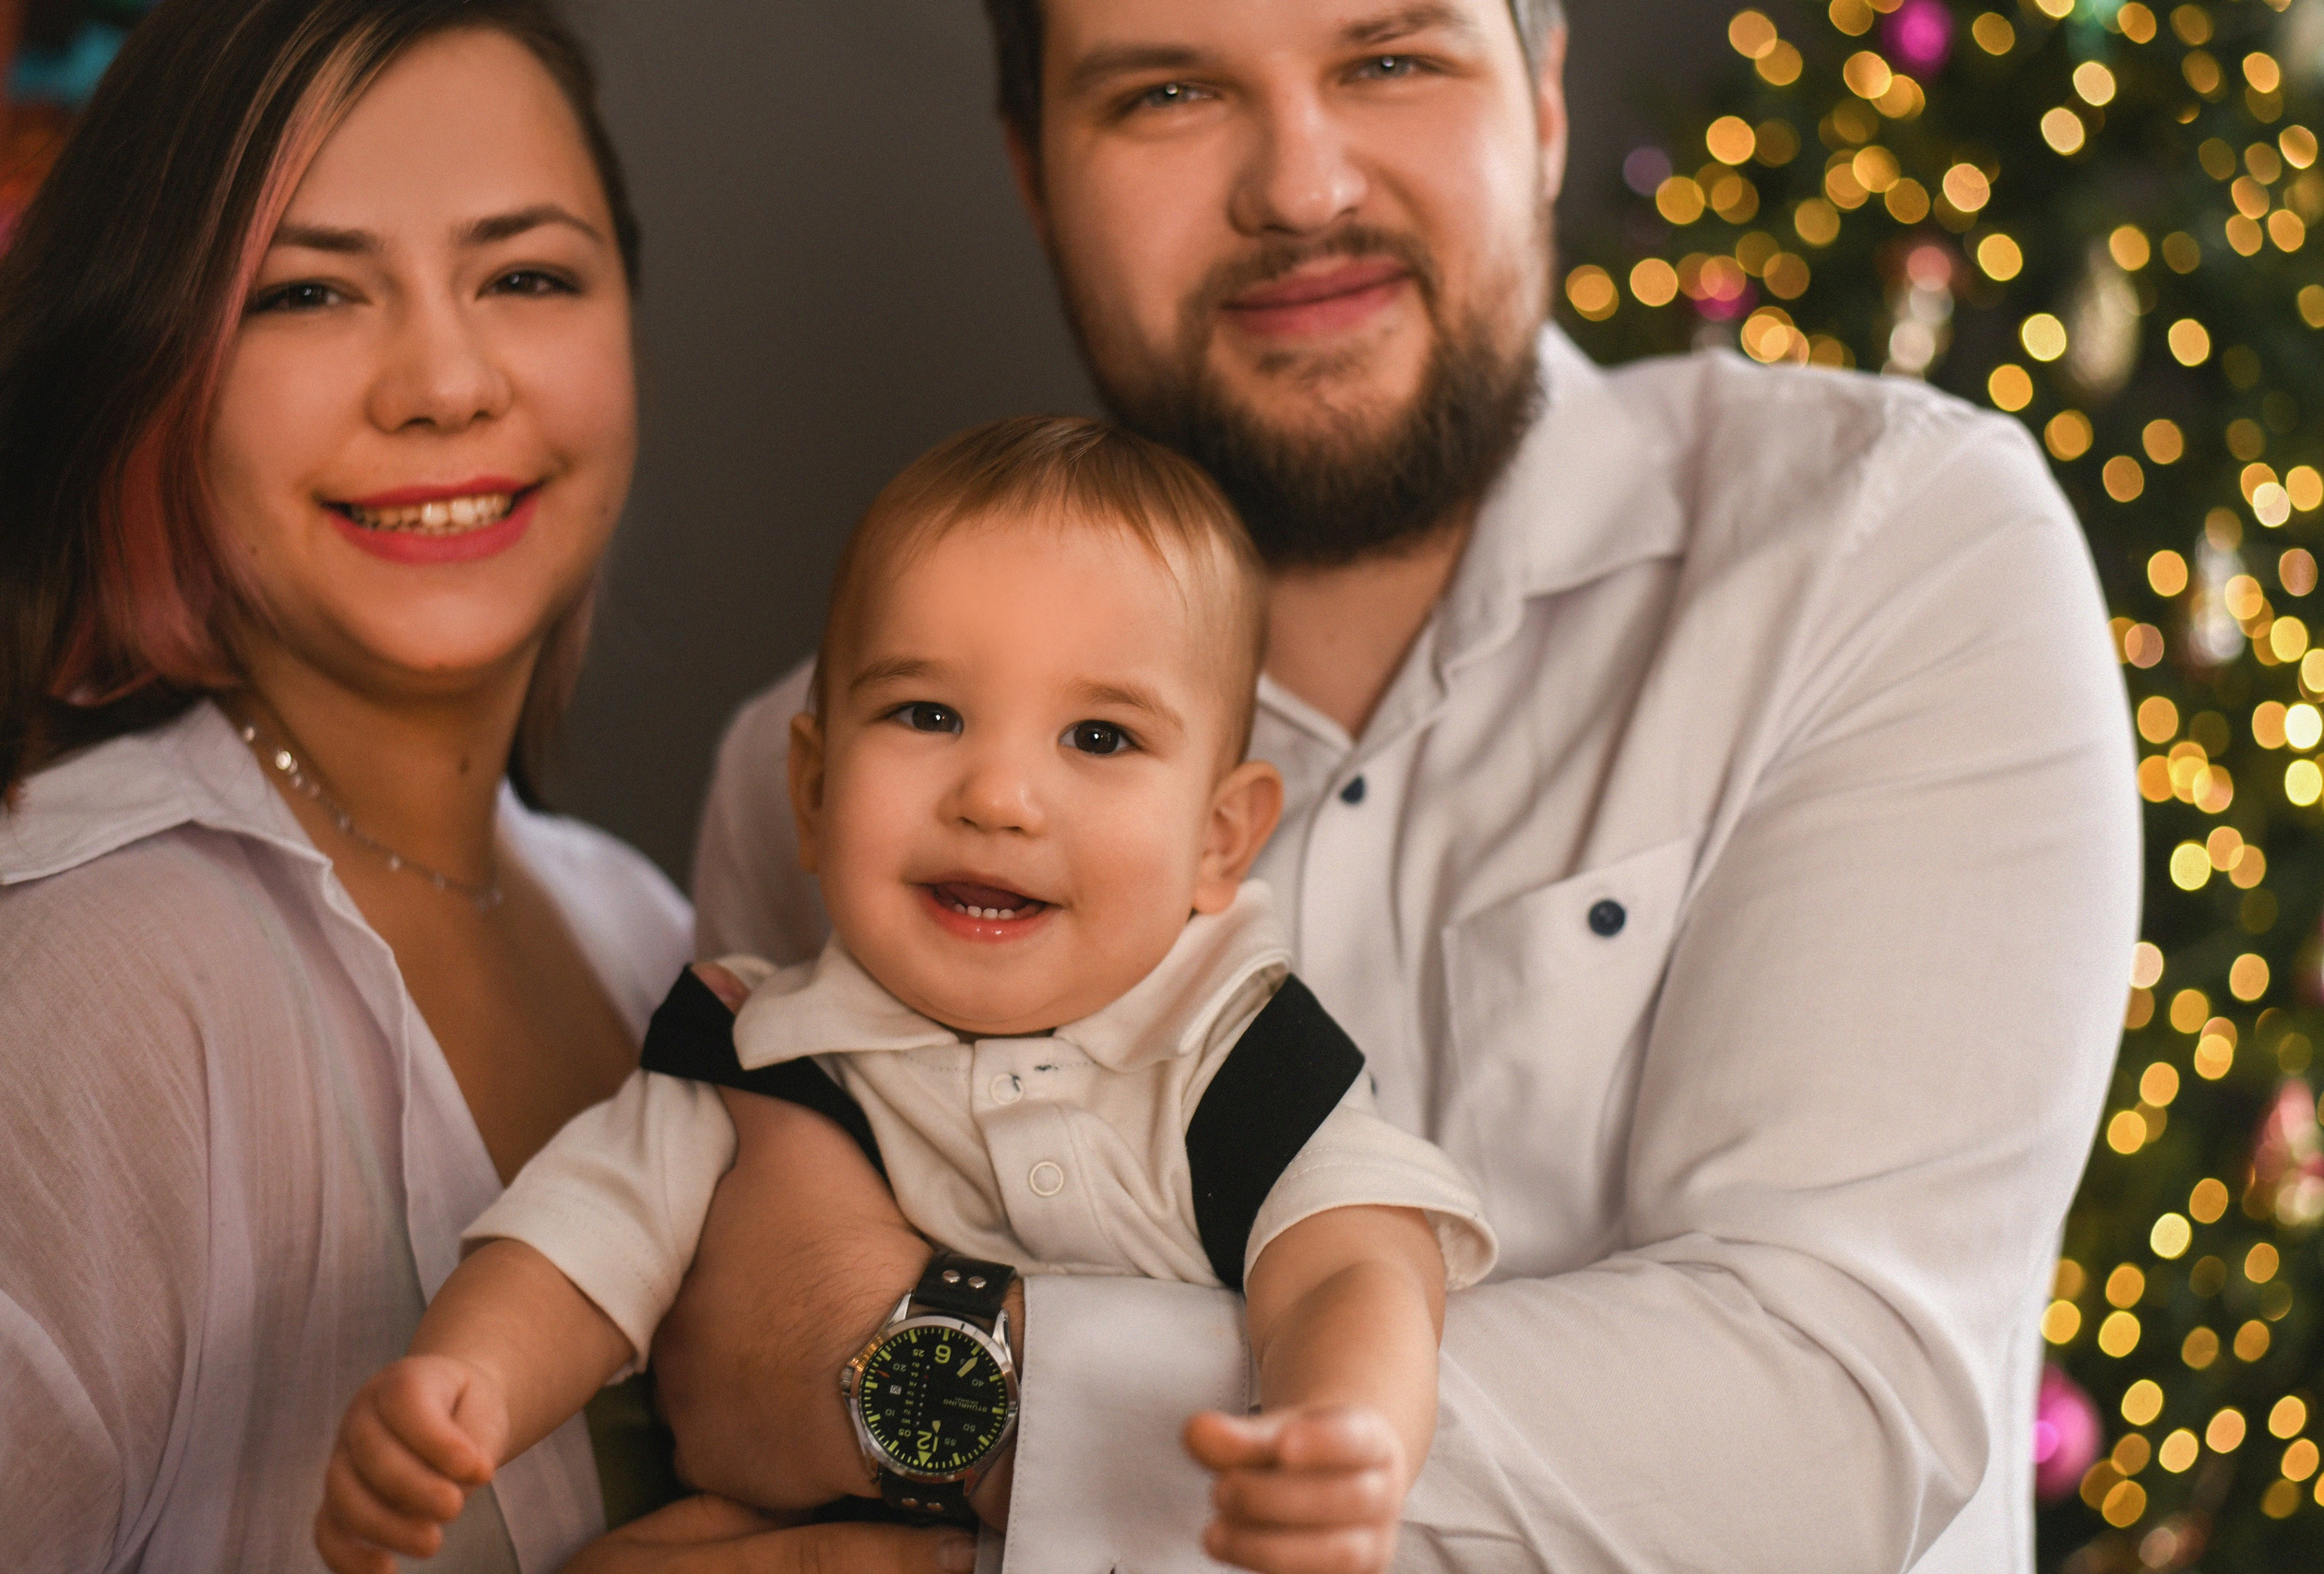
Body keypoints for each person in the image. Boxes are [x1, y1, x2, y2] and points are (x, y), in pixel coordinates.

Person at [657, 2, 2144, 1571]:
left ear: (1547, 94)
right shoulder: (829, 777)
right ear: (1034, 174)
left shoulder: (1889, 554)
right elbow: (742, 1434)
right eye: (1167, 92)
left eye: (1390, 60)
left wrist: (947, 1397)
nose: (1302, 188)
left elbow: (1828, 1428)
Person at [0, 3, 955, 1570]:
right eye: (308, 291)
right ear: (150, 367)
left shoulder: (637, 924)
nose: (445, 383)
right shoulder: (90, 978)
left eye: (526, 276)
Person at [319, 416, 1499, 1574]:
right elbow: (576, 1249)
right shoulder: (755, 1057)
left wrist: (1347, 1430)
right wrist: (462, 1389)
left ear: (1219, 837)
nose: (997, 795)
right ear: (815, 788)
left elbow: (1355, 1266)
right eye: (926, 715)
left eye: (1097, 734)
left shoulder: (1234, 1057)